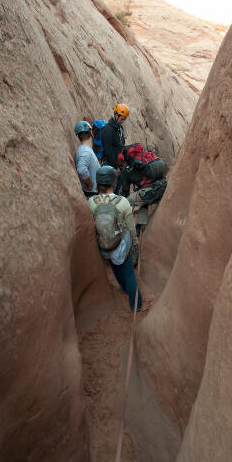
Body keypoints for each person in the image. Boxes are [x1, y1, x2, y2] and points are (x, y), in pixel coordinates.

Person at [88, 166, 142, 313]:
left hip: (104, 247)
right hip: (120, 248)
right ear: (114, 182)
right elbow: (131, 228)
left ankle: (123, 287)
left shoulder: (91, 202)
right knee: (129, 273)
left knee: (115, 267)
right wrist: (135, 243)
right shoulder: (123, 202)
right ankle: (136, 304)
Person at [101, 103, 130, 194]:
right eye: (122, 119)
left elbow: (121, 145)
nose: (123, 121)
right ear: (116, 115)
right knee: (110, 191)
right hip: (110, 164)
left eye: (124, 119)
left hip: (119, 164)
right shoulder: (108, 129)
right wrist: (116, 167)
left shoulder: (119, 128)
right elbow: (108, 149)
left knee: (116, 190)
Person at [74, 120, 100, 198]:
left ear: (78, 136)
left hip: (91, 194)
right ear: (91, 132)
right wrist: (89, 183)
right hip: (91, 195)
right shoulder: (86, 151)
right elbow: (81, 169)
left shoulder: (84, 149)